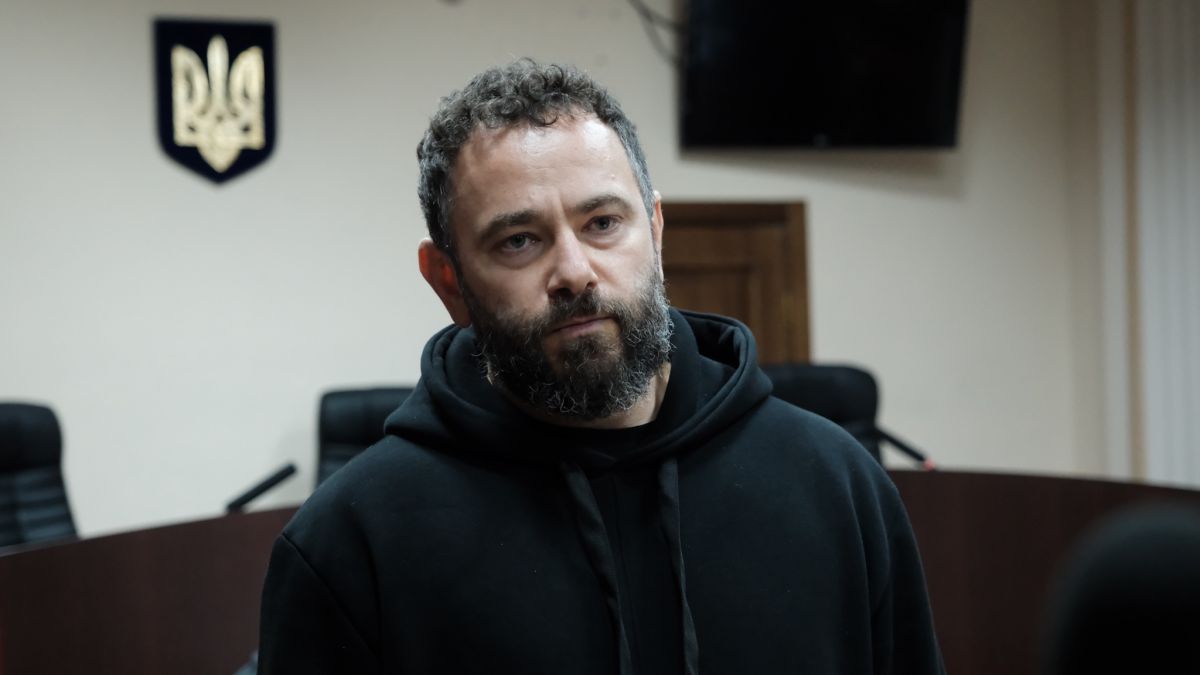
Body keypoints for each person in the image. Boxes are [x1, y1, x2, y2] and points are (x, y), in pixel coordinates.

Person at [258, 59, 945, 675]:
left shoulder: (836, 485)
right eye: (518, 240)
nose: (575, 271)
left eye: (603, 223)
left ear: (656, 231)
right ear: (448, 282)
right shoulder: (351, 542)